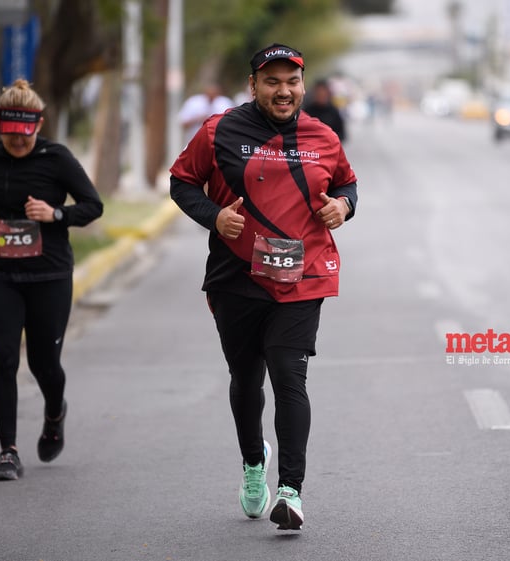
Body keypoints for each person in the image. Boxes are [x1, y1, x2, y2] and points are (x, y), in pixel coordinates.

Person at [169, 43, 358, 530]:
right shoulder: (219, 131)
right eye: (271, 81)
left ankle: (291, 490)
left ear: (302, 84)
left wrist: (344, 207)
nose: (283, 90)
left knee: (289, 377)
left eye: (291, 81)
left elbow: (347, 185)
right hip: (237, 277)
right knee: (246, 380)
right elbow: (182, 181)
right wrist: (215, 218)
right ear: (253, 84)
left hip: (303, 275)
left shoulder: (323, 136)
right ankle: (255, 463)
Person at [0, 79, 103, 481]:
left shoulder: (57, 158)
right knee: (3, 358)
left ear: (38, 124)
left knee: (43, 362)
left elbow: (92, 205)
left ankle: (54, 411)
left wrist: (56, 215)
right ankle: (8, 451)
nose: (16, 144)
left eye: (24, 137)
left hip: (48, 274)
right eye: (9, 136)